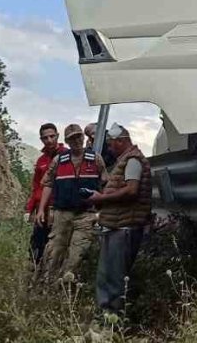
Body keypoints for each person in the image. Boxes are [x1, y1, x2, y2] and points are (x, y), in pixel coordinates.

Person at [88, 123, 153, 318]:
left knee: (114, 276)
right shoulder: (125, 160)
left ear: (121, 141)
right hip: (117, 226)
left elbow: (132, 190)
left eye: (111, 144)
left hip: (124, 228)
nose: (109, 148)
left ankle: (113, 319)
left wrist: (101, 198)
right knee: (106, 275)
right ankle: (106, 315)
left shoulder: (132, 160)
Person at [36, 124, 103, 281]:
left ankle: (64, 288)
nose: (76, 141)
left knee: (76, 255)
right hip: (62, 214)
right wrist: (41, 210)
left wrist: (102, 205)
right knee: (54, 252)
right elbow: (47, 183)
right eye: (72, 138)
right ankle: (47, 285)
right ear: (67, 141)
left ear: (83, 137)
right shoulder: (59, 160)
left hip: (86, 215)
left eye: (78, 136)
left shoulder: (95, 159)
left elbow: (105, 183)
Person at [24, 123, 64, 266]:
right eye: (45, 138)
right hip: (41, 211)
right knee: (36, 247)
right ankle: (33, 278)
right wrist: (29, 209)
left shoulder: (66, 156)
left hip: (58, 210)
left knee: (54, 249)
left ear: (57, 136)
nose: (49, 140)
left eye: (52, 136)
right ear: (41, 140)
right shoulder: (41, 160)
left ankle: (49, 281)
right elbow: (36, 186)